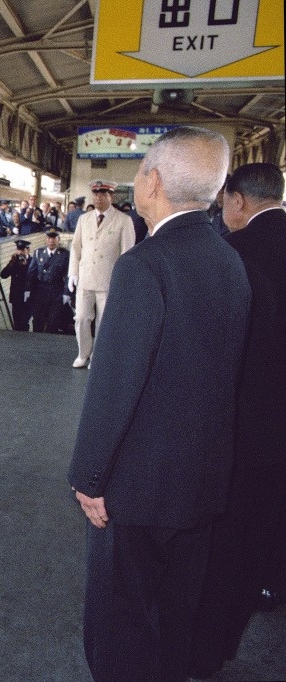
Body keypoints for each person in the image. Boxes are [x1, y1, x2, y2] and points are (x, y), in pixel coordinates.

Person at [67, 126, 251, 682]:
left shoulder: (147, 264)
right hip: (203, 477)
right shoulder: (227, 259)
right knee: (175, 614)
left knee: (122, 621)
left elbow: (115, 383)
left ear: (152, 182)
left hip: (142, 484)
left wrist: (89, 474)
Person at [188, 162, 286, 678]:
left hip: (246, 424)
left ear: (238, 200)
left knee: (229, 540)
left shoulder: (235, 257)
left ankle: (207, 649)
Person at [68, 179, 136, 368]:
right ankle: (83, 353)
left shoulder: (124, 220)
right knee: (81, 318)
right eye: (95, 194)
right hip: (85, 278)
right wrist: (72, 273)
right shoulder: (84, 219)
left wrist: (123, 281)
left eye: (103, 194)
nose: (98, 198)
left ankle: (98, 355)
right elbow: (75, 247)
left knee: (103, 322)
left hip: (108, 281)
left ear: (111, 196)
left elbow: (127, 254)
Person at [27, 229, 69, 333]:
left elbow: (68, 274)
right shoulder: (38, 253)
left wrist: (67, 292)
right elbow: (31, 273)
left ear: (58, 239)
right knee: (38, 321)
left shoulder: (64, 254)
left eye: (54, 238)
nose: (51, 241)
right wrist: (27, 289)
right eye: (49, 238)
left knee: (53, 321)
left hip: (56, 290)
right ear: (46, 239)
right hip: (40, 291)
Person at [0, 239, 32, 331]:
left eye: (23, 250)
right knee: (17, 322)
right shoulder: (14, 262)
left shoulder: (32, 261)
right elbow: (3, 275)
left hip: (27, 297)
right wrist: (11, 263)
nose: (20, 252)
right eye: (19, 249)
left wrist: (25, 265)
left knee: (24, 322)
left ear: (28, 250)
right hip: (16, 296)